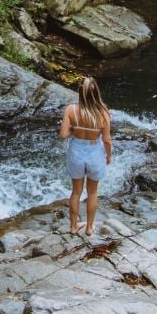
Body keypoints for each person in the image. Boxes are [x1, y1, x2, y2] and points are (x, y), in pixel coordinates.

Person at [59, 76, 112, 235]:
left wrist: (74, 131)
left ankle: (74, 227)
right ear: (96, 93)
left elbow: (63, 134)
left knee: (76, 192)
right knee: (92, 192)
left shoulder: (71, 110)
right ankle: (89, 228)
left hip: (76, 150)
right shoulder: (103, 112)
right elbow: (107, 139)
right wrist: (108, 156)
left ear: (80, 93)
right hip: (95, 151)